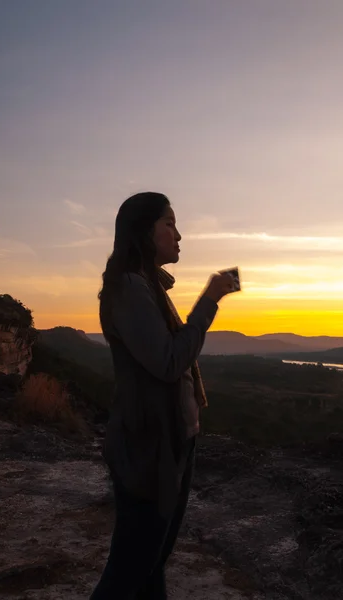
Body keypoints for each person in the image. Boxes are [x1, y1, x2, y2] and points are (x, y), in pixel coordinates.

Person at [90, 192, 233, 600]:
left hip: (168, 443)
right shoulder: (131, 287)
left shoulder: (147, 285)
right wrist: (209, 301)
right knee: (128, 573)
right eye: (169, 223)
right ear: (143, 230)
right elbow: (170, 362)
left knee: (150, 566)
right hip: (148, 448)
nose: (179, 234)